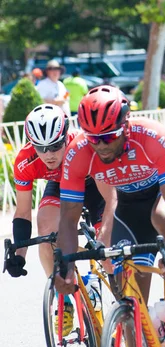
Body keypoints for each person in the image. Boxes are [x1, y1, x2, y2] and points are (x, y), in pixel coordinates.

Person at [55, 85, 165, 347]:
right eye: (93, 138)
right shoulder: (79, 152)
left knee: (162, 215)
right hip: (131, 203)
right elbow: (68, 218)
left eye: (108, 137)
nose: (101, 146)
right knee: (129, 292)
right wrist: (66, 268)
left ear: (125, 126)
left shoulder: (151, 135)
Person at [6, 104, 114, 334]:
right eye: (41, 148)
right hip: (62, 186)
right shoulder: (25, 161)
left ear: (66, 136)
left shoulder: (84, 147)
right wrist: (18, 255)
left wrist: (104, 229)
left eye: (55, 146)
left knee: (107, 243)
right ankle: (62, 294)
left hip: (94, 185)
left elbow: (110, 196)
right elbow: (23, 212)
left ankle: (112, 293)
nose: (48, 154)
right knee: (45, 229)